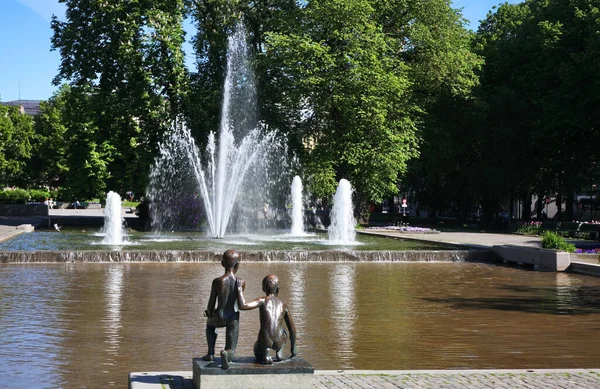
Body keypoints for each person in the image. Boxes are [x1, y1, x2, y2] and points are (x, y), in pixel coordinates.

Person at [236, 274, 297, 365]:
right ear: (278, 289)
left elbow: (242, 306)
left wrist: (239, 289)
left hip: (265, 340)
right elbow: (292, 329)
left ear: (263, 289)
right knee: (284, 332)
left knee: (257, 352)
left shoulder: (262, 300)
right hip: (279, 340)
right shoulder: (283, 304)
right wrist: (293, 348)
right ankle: (279, 351)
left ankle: (266, 353)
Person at [203, 249, 245, 369]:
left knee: (210, 326)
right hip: (233, 316)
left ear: (222, 263)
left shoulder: (217, 281)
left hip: (220, 315)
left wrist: (209, 312)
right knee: (232, 344)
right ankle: (227, 353)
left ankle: (211, 352)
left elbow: (211, 303)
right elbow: (239, 301)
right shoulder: (241, 282)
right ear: (237, 265)